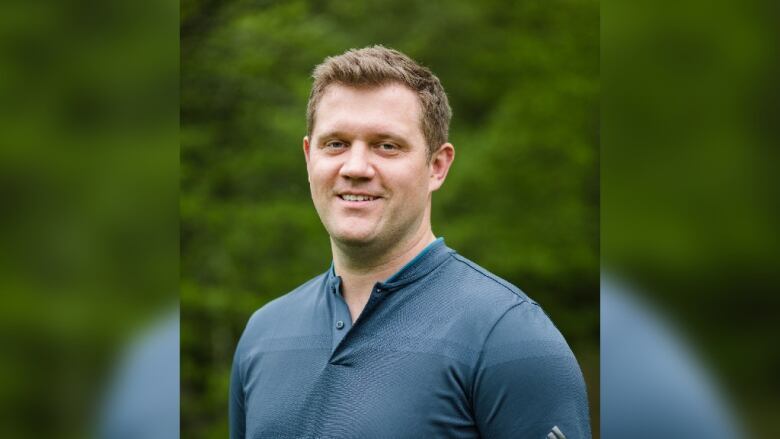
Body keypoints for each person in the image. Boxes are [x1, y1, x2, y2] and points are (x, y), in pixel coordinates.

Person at [229, 45, 591, 439]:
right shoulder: (262, 336)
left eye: (387, 145)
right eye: (335, 143)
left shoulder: (509, 338)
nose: (355, 168)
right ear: (308, 156)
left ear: (437, 166)